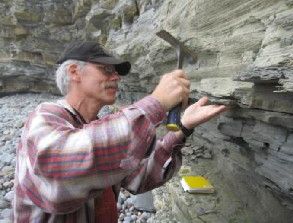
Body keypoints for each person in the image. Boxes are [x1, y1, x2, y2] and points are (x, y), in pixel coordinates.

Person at [12, 40, 226, 223]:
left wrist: (184, 128)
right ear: (74, 72)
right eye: (106, 70)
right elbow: (61, 173)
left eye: (117, 72)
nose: (116, 77)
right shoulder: (45, 117)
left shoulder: (101, 131)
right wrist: (156, 103)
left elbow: (141, 177)